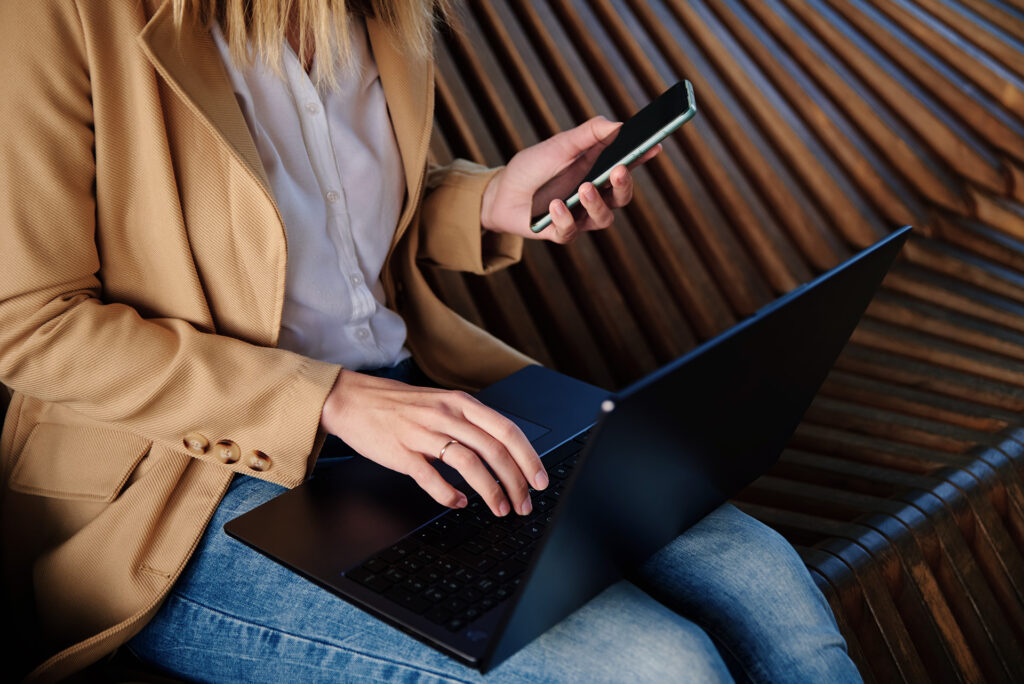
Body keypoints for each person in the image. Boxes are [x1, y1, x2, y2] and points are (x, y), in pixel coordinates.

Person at [0, 0, 861, 681]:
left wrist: (492, 200)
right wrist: (328, 399)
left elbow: (322, 218)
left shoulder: (380, 10)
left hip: (421, 405)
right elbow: (33, 325)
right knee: (655, 667)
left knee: (765, 580)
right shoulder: (61, 14)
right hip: (182, 486)